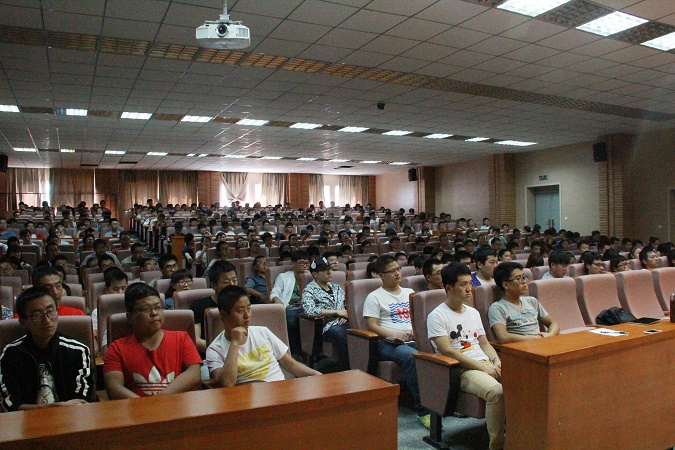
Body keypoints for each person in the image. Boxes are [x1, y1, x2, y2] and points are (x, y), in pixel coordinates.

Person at [427, 262, 504, 450]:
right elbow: (448, 351)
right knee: (496, 391)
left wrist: (496, 361)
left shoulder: (473, 312)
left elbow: (484, 343)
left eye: (470, 283)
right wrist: (483, 367)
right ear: (449, 288)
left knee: (525, 380)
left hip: (484, 362)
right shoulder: (437, 316)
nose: (470, 289)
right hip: (461, 369)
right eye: (463, 284)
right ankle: (498, 445)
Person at [0, 287, 94, 410]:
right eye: (36, 315)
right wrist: (52, 408)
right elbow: (10, 404)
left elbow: (82, 400)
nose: (47, 320)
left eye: (51, 311)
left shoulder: (77, 351)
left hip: (71, 417)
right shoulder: (11, 353)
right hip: (26, 419)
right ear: (23, 322)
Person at [206, 285, 320, 386]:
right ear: (223, 315)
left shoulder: (263, 332)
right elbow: (227, 383)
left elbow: (291, 364)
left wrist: (316, 375)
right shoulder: (215, 349)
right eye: (240, 311)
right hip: (248, 398)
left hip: (280, 391)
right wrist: (235, 343)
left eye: (249, 309)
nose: (247, 315)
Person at [103, 283, 202, 398]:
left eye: (158, 307)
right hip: (137, 408)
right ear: (130, 317)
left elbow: (194, 373)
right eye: (146, 309)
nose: (154, 313)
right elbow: (114, 387)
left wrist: (159, 400)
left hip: (180, 404)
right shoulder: (117, 348)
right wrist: (145, 405)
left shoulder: (181, 338)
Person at [363, 255, 429, 427]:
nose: (397, 273)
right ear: (381, 275)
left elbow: (418, 317)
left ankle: (442, 403)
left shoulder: (410, 293)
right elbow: (371, 325)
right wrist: (394, 335)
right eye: (391, 271)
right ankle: (424, 410)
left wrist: (416, 331)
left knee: (438, 350)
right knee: (411, 356)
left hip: (414, 338)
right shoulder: (374, 297)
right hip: (388, 342)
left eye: (398, 269)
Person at [489, 262, 560, 343]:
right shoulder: (497, 308)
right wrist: (533, 339)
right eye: (518, 278)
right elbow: (503, 337)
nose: (524, 282)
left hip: (540, 343)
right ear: (505, 285)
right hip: (521, 347)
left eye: (524, 277)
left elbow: (553, 324)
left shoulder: (532, 301)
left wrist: (550, 335)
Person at [302, 257, 350, 371]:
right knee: (341, 334)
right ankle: (347, 369)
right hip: (327, 326)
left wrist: (346, 314)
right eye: (324, 270)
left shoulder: (336, 288)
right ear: (315, 274)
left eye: (329, 269)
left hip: (345, 321)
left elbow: (348, 304)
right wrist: (336, 312)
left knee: (357, 333)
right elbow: (309, 310)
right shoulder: (309, 290)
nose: (329, 272)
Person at [191, 260, 238, 353]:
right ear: (213, 285)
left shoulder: (243, 304)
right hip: (211, 354)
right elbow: (196, 341)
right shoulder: (199, 306)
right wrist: (223, 351)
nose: (232, 285)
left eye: (234, 280)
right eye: (226, 282)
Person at [270, 250, 310, 356]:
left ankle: (313, 352)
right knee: (292, 320)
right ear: (294, 263)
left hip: (308, 307)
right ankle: (295, 352)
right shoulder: (283, 277)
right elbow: (275, 292)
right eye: (301, 263)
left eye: (307, 263)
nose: (304, 266)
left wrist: (308, 278)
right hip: (291, 308)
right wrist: (277, 300)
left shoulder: (313, 277)